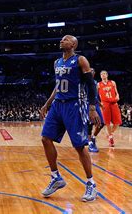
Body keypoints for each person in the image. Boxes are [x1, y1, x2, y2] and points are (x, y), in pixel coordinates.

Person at [39, 35, 101, 202]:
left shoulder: (81, 60)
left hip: (74, 105)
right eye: (61, 39)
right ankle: (56, 177)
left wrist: (93, 107)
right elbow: (57, 86)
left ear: (73, 44)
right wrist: (47, 104)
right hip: (58, 104)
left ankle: (91, 184)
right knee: (45, 139)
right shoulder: (57, 62)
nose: (61, 40)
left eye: (65, 39)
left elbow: (91, 85)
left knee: (80, 146)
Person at [97, 70, 122, 147]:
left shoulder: (113, 82)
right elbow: (95, 95)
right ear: (100, 76)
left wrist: (117, 96)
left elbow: (116, 92)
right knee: (107, 122)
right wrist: (99, 103)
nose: (103, 75)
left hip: (114, 102)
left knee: (117, 122)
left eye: (104, 74)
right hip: (105, 103)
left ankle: (110, 134)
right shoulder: (98, 84)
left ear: (107, 75)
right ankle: (111, 138)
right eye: (102, 74)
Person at [87, 69, 104, 153]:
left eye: (93, 71)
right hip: (86, 104)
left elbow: (95, 96)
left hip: (95, 104)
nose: (92, 72)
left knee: (101, 123)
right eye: (90, 71)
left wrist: (100, 104)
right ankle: (90, 142)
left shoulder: (95, 82)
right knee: (89, 124)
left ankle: (93, 137)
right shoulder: (83, 81)